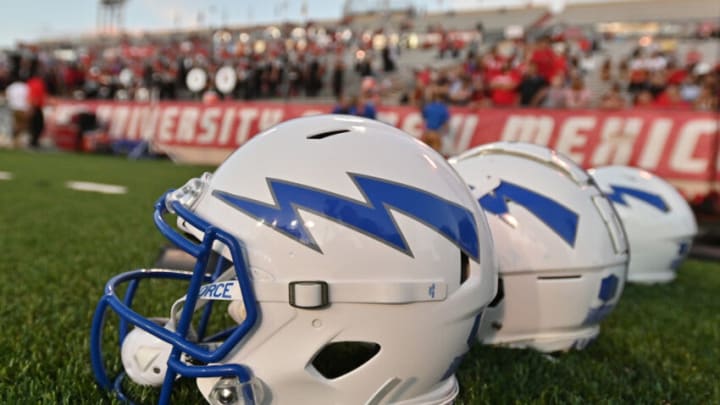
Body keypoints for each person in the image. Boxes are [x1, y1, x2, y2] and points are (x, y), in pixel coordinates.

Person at [26, 65, 47, 149]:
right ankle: (34, 142)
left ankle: (34, 142)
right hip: (36, 107)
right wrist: (32, 107)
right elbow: (34, 96)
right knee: (38, 125)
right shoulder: (36, 83)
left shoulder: (31, 82)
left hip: (35, 106)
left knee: (35, 125)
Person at [5, 77, 28, 148]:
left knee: (15, 125)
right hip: (22, 108)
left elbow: (7, 96)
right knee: (21, 126)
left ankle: (15, 141)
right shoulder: (25, 87)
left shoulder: (11, 87)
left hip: (13, 108)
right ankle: (16, 141)